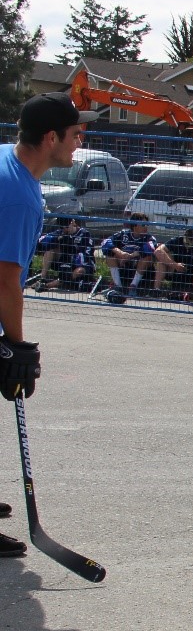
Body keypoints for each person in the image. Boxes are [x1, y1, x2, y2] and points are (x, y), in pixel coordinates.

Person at [0, 92, 97, 557]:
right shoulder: (20, 196)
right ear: (51, 137)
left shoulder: (8, 162)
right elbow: (5, 282)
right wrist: (15, 349)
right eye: (76, 134)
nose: (81, 141)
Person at [99, 212, 159, 298]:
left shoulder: (149, 238)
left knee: (147, 258)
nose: (146, 227)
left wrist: (131, 256)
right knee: (110, 255)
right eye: (143, 225)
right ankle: (118, 286)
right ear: (134, 225)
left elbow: (151, 247)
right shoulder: (123, 234)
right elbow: (105, 243)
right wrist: (120, 253)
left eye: (147, 225)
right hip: (124, 268)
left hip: (142, 271)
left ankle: (133, 286)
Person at [33, 217, 94, 292]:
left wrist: (73, 251)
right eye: (62, 227)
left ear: (73, 222)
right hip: (64, 261)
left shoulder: (84, 234)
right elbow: (41, 240)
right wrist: (57, 239)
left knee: (79, 271)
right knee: (51, 249)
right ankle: (42, 279)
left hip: (81, 263)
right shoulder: (61, 232)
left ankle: (48, 285)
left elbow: (87, 254)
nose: (65, 229)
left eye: (67, 227)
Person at [156, 228, 193, 302]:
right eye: (188, 242)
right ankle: (156, 290)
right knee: (161, 261)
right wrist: (175, 265)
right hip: (176, 271)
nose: (189, 246)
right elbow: (158, 251)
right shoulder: (176, 241)